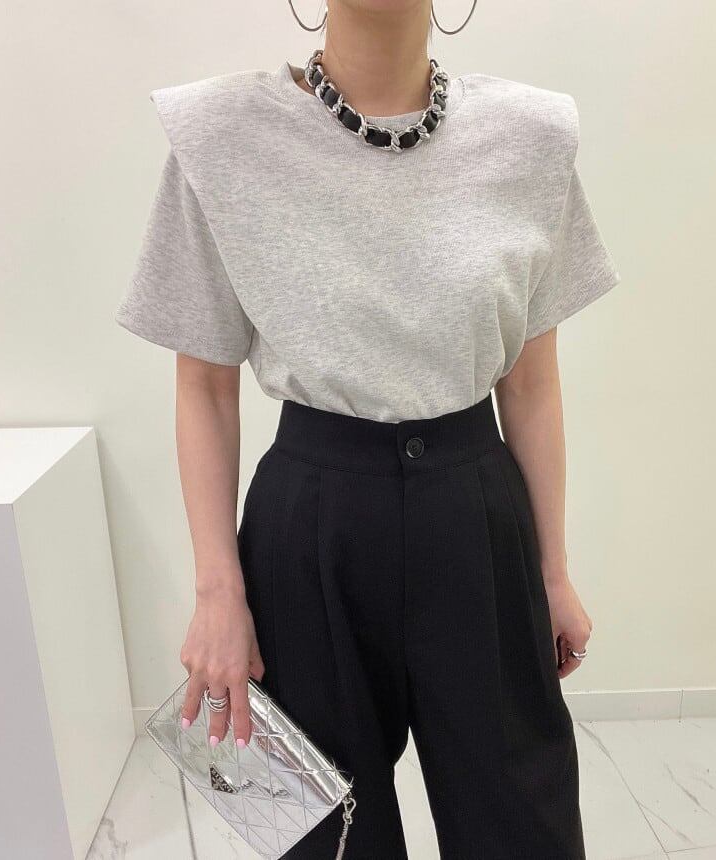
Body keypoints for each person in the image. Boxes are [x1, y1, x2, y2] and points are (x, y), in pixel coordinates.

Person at [114, 2, 620, 857]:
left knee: (521, 818)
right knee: (324, 832)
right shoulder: (220, 135)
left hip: (476, 512)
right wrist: (217, 594)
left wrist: (552, 572)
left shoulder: (530, 136)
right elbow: (203, 384)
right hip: (309, 522)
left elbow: (530, 382)